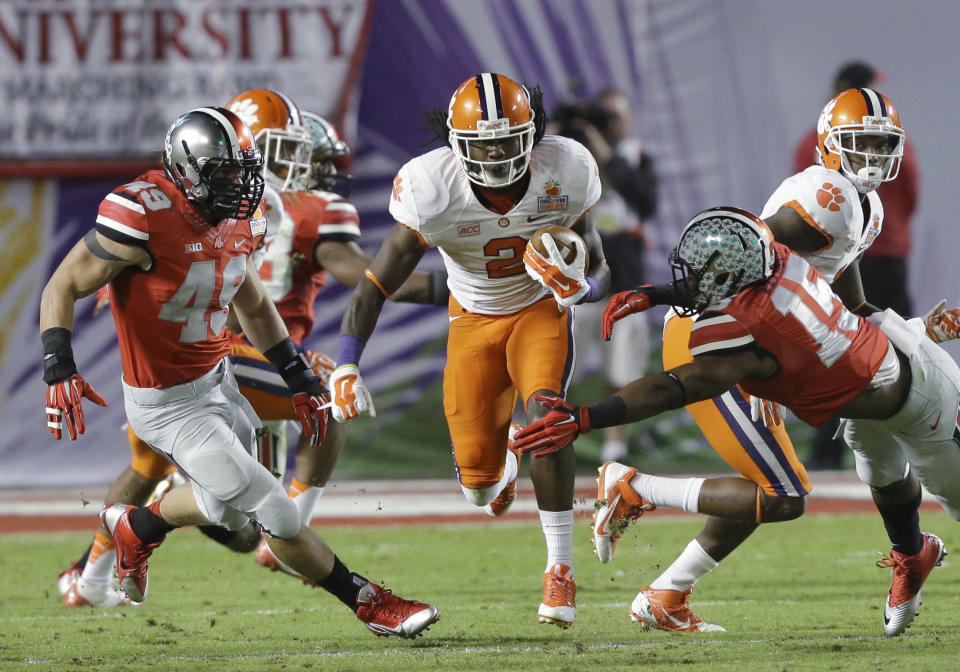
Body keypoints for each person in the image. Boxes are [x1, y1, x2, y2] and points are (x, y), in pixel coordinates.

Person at [525, 86, 952, 635]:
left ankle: (667, 594)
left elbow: (850, 303)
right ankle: (632, 488)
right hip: (726, 339)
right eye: (860, 142)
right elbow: (732, 259)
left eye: (881, 143)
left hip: (766, 343)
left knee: (774, 483)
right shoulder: (829, 195)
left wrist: (914, 330)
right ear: (830, 143)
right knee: (782, 494)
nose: (872, 155)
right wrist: (663, 296)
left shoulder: (859, 203)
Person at [40, 106, 439, 638]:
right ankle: (371, 602)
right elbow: (61, 286)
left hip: (221, 381)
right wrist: (58, 367)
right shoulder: (143, 211)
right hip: (166, 404)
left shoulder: (242, 217)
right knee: (279, 514)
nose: (238, 187)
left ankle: (137, 525)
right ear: (186, 169)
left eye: (242, 172)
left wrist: (296, 377)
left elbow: (250, 300)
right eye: (222, 175)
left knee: (227, 513)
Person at [330, 73, 609, 628]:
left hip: (538, 310)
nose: (499, 155)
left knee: (549, 418)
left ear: (533, 134)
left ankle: (560, 570)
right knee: (478, 491)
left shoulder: (566, 168)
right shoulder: (432, 187)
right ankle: (502, 460)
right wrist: (345, 361)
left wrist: (583, 289)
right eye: (484, 144)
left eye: (509, 141)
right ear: (456, 146)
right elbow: (375, 284)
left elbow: (598, 262)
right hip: (473, 318)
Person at [792, 62, 921, 470]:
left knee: (890, 346)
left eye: (883, 144)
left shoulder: (873, 204)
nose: (876, 152)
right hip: (840, 260)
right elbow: (781, 231)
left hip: (867, 251)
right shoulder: (821, 180)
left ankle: (870, 447)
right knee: (833, 350)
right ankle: (834, 448)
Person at [553, 89, 658, 462]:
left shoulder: (635, 158)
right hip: (576, 282)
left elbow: (646, 202)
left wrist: (605, 152)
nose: (610, 124)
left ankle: (615, 450)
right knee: (560, 370)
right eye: (603, 117)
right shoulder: (567, 158)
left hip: (624, 280)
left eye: (615, 116)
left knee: (622, 371)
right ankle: (545, 435)